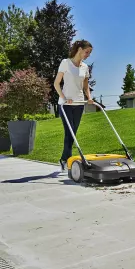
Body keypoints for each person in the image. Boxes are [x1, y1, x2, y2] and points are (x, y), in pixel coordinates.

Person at [54, 39, 94, 171]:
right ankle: (68, 160)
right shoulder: (66, 63)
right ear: (80, 49)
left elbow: (85, 85)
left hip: (79, 103)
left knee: (73, 133)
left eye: (89, 53)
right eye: (87, 52)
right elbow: (56, 83)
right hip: (65, 104)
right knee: (69, 132)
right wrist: (64, 98)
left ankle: (64, 159)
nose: (88, 55)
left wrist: (89, 97)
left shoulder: (85, 67)